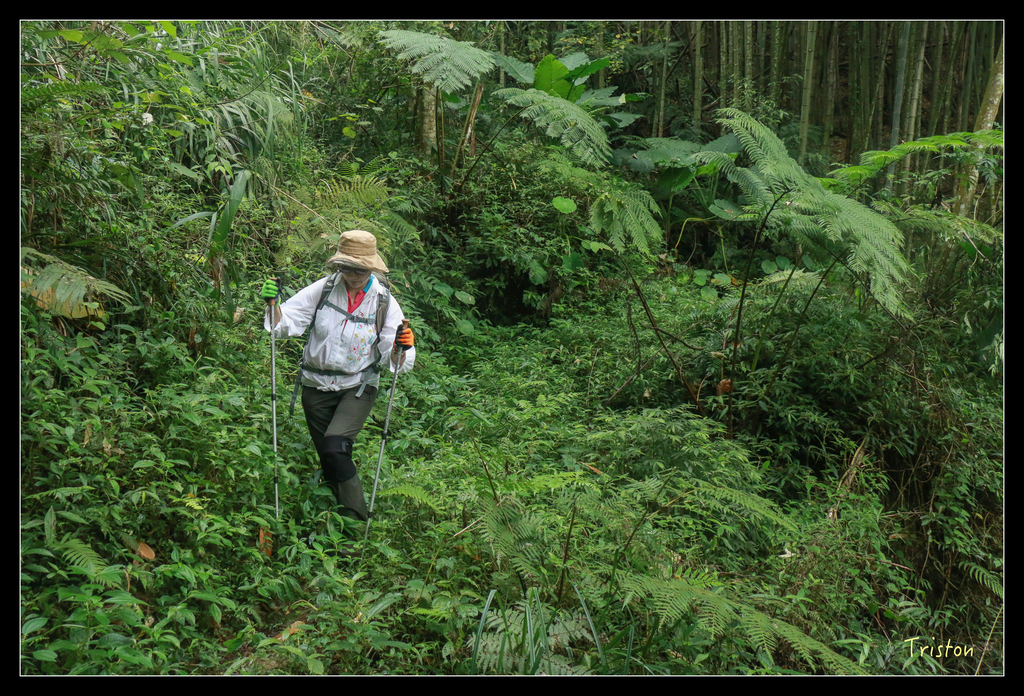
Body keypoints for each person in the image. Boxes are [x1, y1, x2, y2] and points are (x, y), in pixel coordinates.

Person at [261, 230, 415, 552]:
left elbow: (396, 355)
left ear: (372, 269)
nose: (354, 276)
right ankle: (329, 523)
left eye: (361, 270)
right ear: (339, 265)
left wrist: (402, 347)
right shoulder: (325, 288)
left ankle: (354, 533)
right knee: (330, 460)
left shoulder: (384, 301)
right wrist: (272, 305)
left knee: (334, 449)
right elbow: (285, 321)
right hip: (315, 387)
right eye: (348, 268)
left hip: (357, 387)